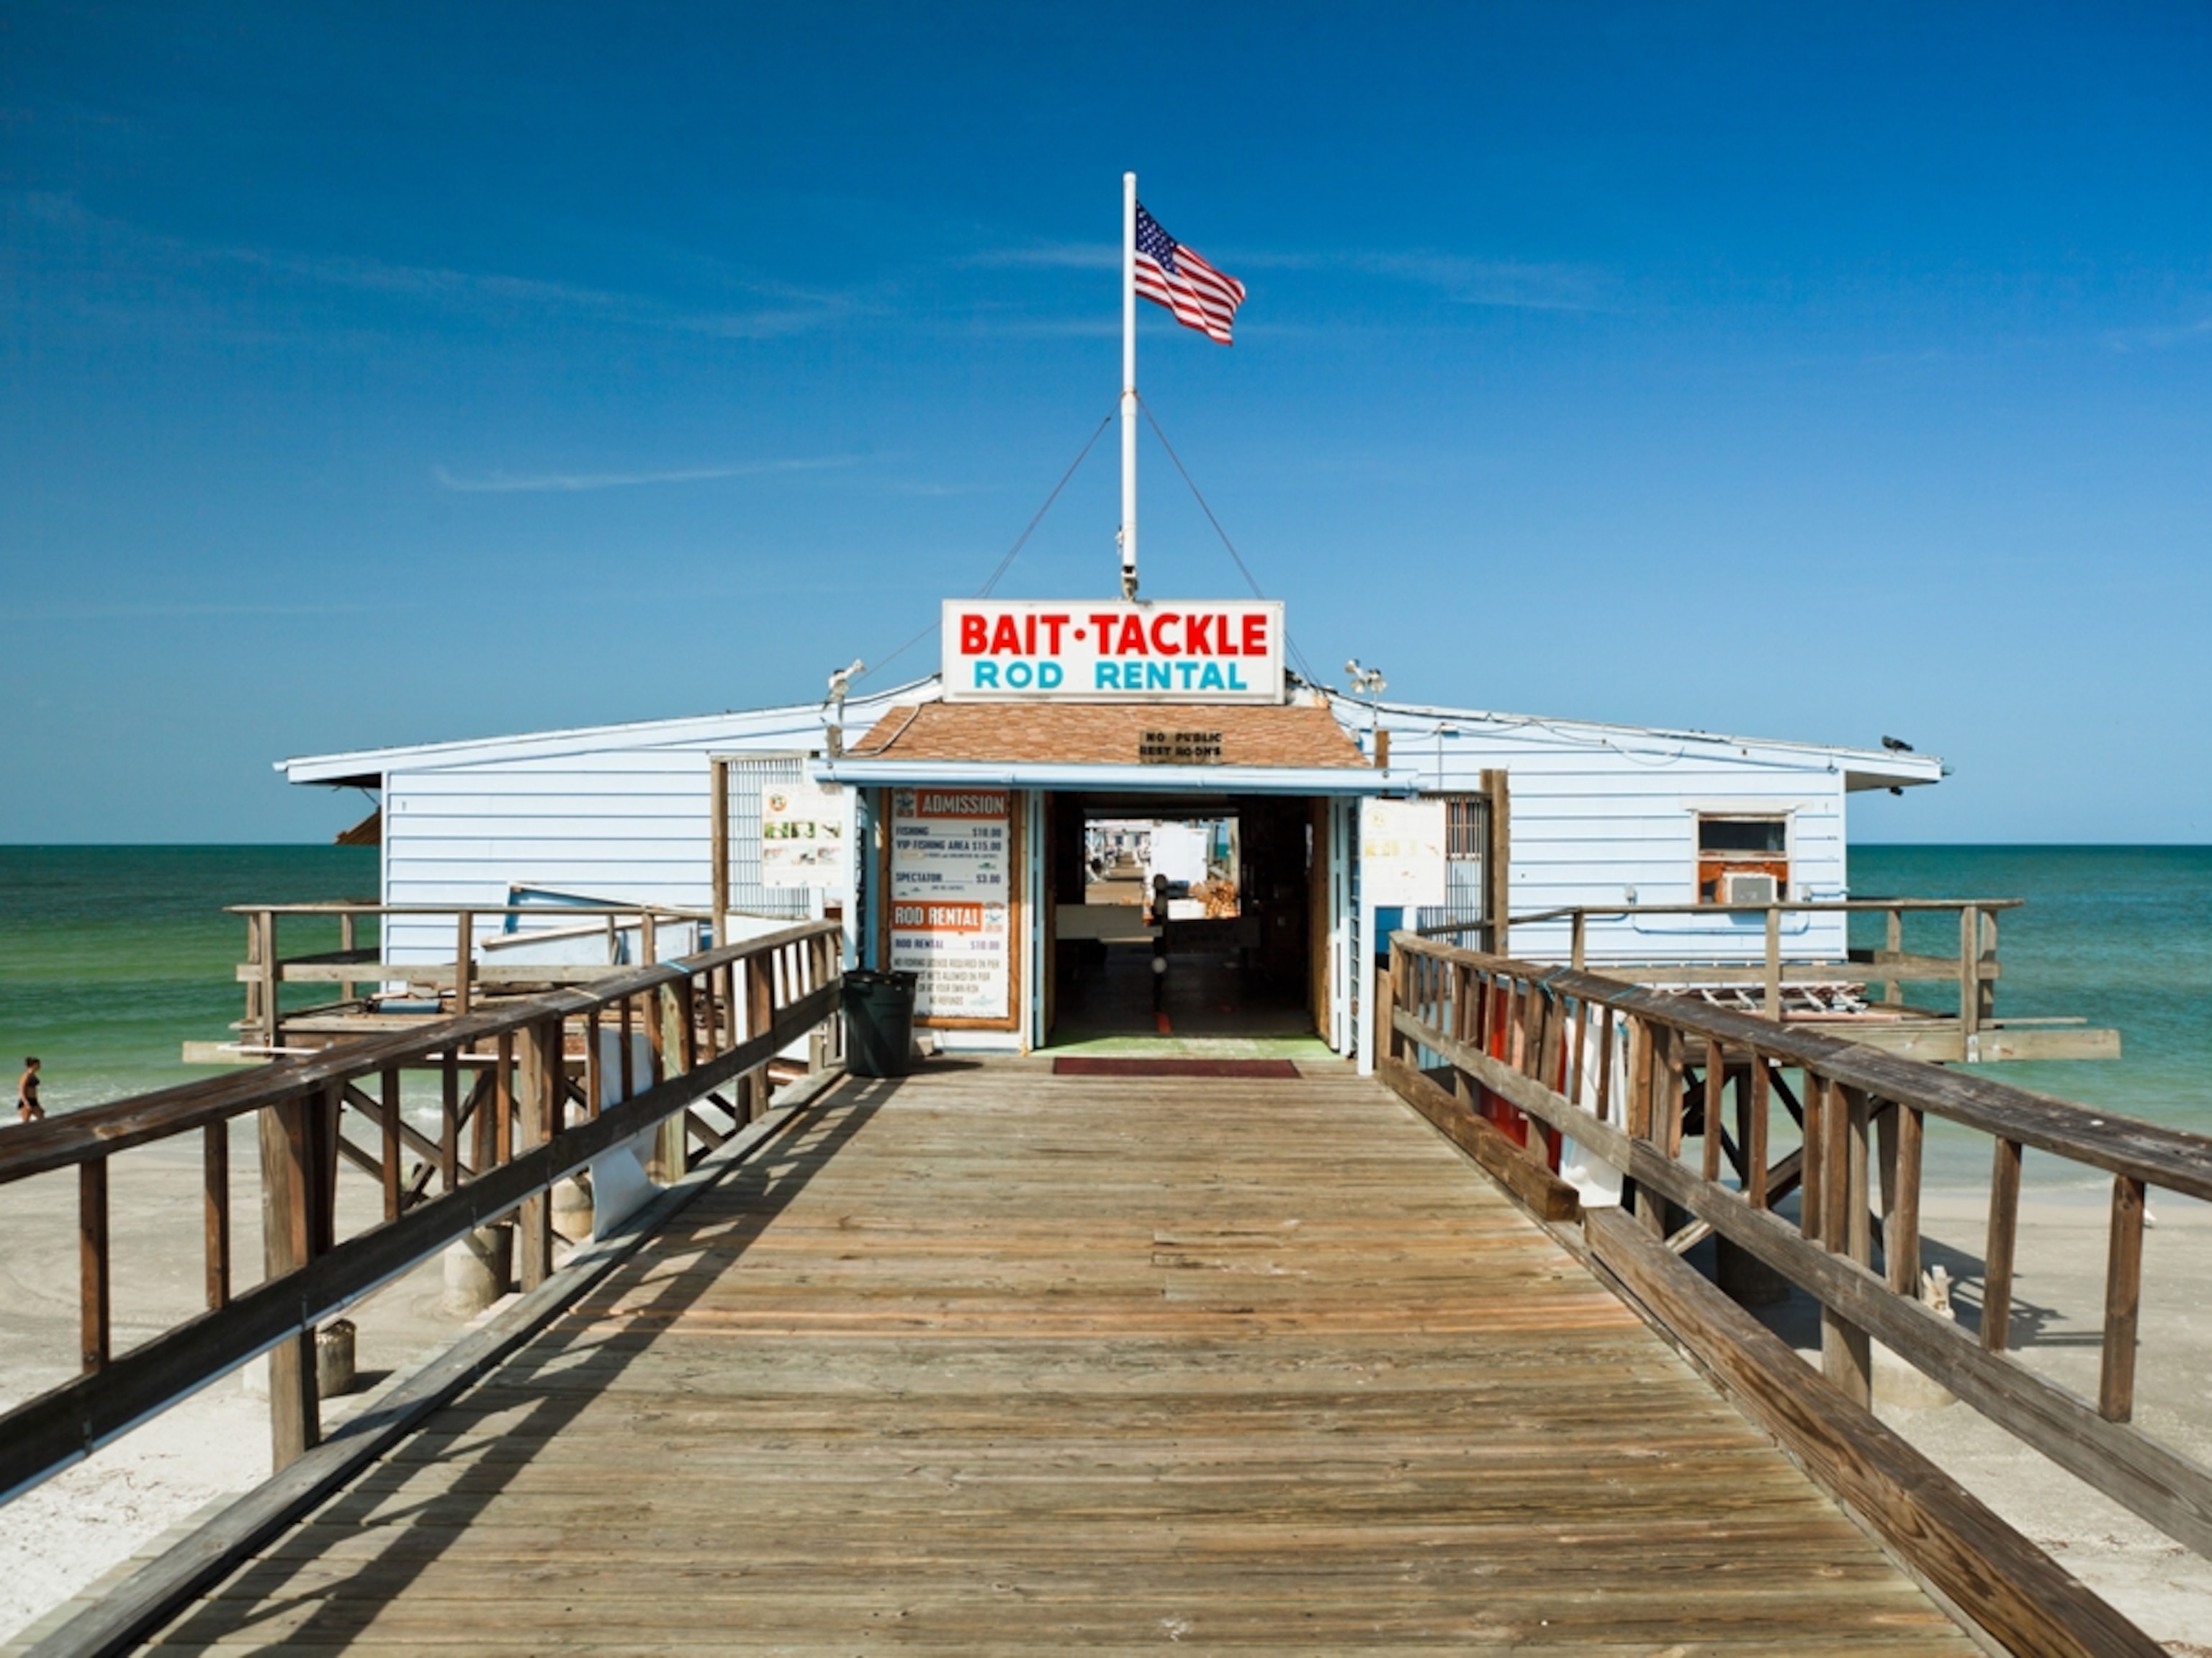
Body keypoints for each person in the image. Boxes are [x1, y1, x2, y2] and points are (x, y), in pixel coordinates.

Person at [17, 1057, 44, 1124]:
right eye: (38, 1064)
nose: (40, 1066)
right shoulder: (26, 1075)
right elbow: (21, 1090)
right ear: (33, 1065)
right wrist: (26, 1103)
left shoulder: (33, 1075)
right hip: (26, 1102)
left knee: (42, 1119)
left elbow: (34, 1091)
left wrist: (38, 1104)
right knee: (26, 1123)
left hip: (34, 1101)